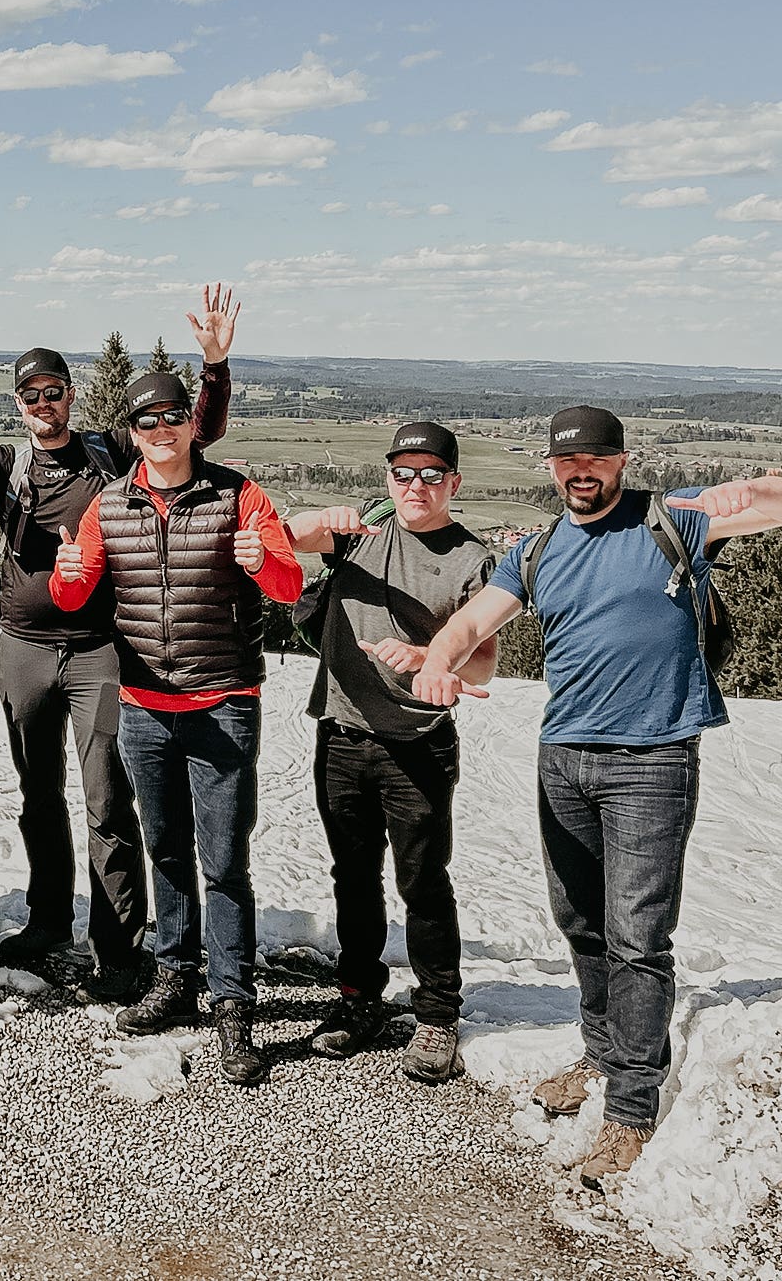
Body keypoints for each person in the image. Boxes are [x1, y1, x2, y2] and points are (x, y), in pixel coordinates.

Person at [402, 405, 782, 1187]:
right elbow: (470, 624)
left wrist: (750, 488)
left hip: (653, 759)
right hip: (563, 756)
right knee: (580, 919)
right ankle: (601, 1052)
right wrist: (439, 660)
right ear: (552, 469)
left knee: (638, 935)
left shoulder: (675, 521)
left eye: (596, 459)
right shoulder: (538, 552)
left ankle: (631, 1107)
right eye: (568, 462)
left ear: (622, 461)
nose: (581, 472)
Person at [0, 286, 235, 996]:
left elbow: (197, 433)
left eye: (54, 391)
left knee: (107, 803)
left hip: (99, 648)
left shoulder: (113, 451)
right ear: (20, 405)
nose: (43, 404)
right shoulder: (7, 467)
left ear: (70, 394)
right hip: (25, 646)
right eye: (31, 396)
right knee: (36, 795)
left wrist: (213, 366)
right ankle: (46, 920)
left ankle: (118, 950)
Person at [51, 371, 301, 1085]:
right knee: (163, 849)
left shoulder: (238, 494)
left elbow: (289, 586)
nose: (160, 431)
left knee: (223, 861)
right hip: (143, 708)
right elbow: (74, 598)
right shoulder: (111, 504)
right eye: (146, 422)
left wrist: (265, 563)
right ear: (130, 433)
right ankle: (175, 976)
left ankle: (232, 1002)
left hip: (222, 703)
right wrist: (68, 572)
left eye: (172, 418)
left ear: (192, 423)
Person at [284, 422, 496, 1084]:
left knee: (423, 885)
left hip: (419, 747)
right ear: (388, 480)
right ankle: (357, 999)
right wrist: (318, 516)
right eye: (403, 473)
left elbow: (485, 664)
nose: (416, 485)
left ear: (453, 483)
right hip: (342, 736)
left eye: (431, 474)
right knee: (353, 878)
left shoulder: (472, 558)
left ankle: (437, 1013)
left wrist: (434, 657)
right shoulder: (362, 530)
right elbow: (277, 541)